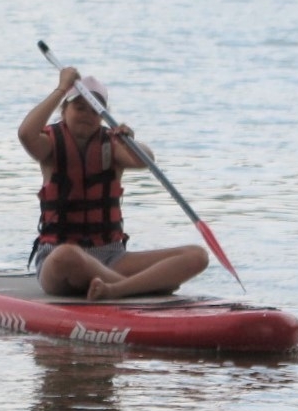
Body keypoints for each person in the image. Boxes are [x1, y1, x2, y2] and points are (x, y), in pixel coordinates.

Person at [18, 66, 206, 301]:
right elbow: (25, 133)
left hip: (112, 257)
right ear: (64, 110)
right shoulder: (48, 146)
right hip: (59, 261)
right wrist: (61, 88)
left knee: (197, 256)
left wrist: (130, 142)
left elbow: (145, 159)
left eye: (94, 111)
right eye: (79, 107)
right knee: (68, 255)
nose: (86, 114)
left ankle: (115, 290)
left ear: (103, 116)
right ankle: (143, 287)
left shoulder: (112, 145)